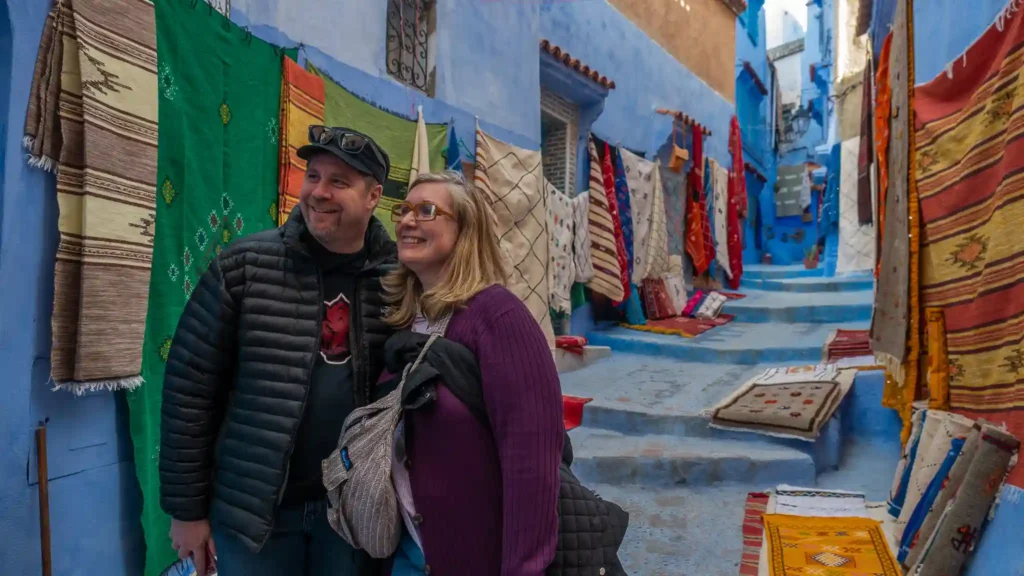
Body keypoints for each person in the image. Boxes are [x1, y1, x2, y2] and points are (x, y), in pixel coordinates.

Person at [159, 126, 397, 576]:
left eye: (339, 182)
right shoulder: (245, 266)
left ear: (373, 197)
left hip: (352, 515)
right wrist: (187, 511)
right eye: (313, 176)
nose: (319, 192)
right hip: (254, 519)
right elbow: (189, 390)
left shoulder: (398, 280)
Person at [381, 171, 564, 575]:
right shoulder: (410, 319)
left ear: (465, 231)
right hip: (411, 553)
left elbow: (531, 462)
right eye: (405, 210)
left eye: (426, 211)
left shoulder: (500, 319)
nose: (407, 221)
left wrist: (524, 568)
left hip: (475, 557)